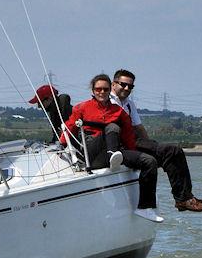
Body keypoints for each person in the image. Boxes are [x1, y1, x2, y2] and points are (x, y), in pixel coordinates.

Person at [60, 74, 163, 222]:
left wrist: (135, 158)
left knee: (149, 161)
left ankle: (145, 208)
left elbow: (128, 137)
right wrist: (61, 145)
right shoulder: (81, 108)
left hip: (115, 153)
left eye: (105, 89)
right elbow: (69, 128)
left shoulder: (118, 111)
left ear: (110, 90)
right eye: (98, 89)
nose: (101, 92)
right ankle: (112, 156)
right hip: (92, 154)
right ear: (93, 90)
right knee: (113, 127)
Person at [110, 69, 202, 213]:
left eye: (130, 86)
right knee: (171, 151)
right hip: (123, 144)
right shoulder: (109, 102)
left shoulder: (129, 104)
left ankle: (186, 197)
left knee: (174, 152)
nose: (127, 88)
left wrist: (152, 146)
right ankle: (183, 199)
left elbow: (139, 127)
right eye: (123, 84)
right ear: (113, 84)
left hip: (135, 141)